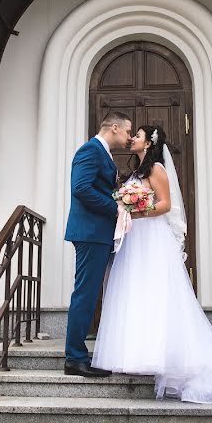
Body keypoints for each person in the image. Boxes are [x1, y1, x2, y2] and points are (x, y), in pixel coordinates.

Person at [92, 124, 212, 403]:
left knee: (156, 291)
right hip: (134, 239)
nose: (132, 139)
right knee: (134, 291)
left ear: (149, 143)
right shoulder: (135, 173)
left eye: (138, 136)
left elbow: (166, 204)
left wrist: (138, 212)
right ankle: (136, 353)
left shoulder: (156, 169)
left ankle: (161, 354)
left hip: (152, 237)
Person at [63, 111, 132, 378]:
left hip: (98, 233)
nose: (128, 138)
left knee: (91, 294)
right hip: (91, 233)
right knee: (85, 294)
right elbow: (81, 188)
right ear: (114, 128)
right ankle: (75, 358)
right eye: (127, 132)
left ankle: (79, 354)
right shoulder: (90, 151)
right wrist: (115, 209)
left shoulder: (103, 153)